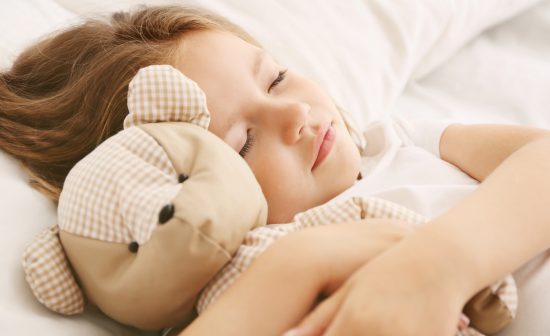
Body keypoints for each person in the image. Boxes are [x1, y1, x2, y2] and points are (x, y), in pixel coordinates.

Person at [1, 5, 549, 336]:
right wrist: (297, 264)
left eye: (277, 78)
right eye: (241, 145)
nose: (294, 116)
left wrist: (440, 263)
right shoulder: (237, 290)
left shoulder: (398, 140)